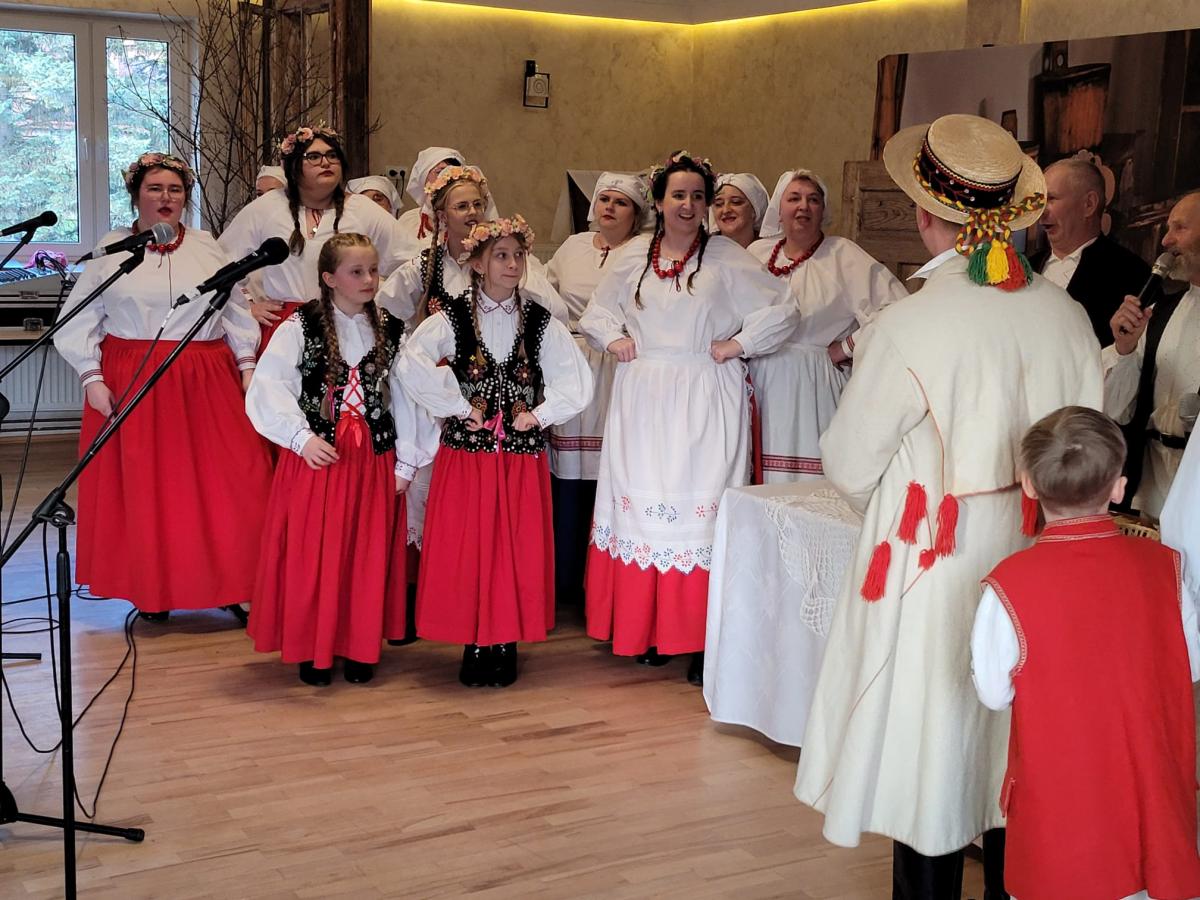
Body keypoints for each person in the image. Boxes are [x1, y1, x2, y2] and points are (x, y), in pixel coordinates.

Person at [792, 114, 1103, 899]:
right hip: (1037, 557)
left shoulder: (908, 322)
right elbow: (1088, 450)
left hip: (935, 558)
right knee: (1012, 746)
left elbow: (849, 463)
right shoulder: (1066, 315)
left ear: (925, 214)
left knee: (929, 750)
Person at [579, 151, 797, 686]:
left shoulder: (725, 257)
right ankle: (650, 629)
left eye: (699, 196)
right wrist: (614, 339)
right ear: (658, 201)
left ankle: (701, 639)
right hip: (643, 398)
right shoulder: (634, 255)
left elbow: (784, 309)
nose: (689, 205)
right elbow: (596, 313)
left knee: (703, 513)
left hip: (705, 396)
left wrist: (738, 344)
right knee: (645, 508)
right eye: (679, 194)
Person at [972, 406, 1200, 900]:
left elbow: (993, 693)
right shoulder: (1167, 568)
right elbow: (1191, 665)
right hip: (1150, 794)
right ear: (1119, 487)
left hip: (1062, 805)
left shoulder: (1008, 584)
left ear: (1028, 485)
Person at [55, 152, 272, 622]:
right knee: (150, 491)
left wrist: (247, 364)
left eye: (175, 189)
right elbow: (79, 318)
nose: (166, 197)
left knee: (230, 481)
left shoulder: (208, 247)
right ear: (136, 196)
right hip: (133, 377)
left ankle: (232, 582)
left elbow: (235, 309)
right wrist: (91, 376)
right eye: (155, 188)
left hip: (205, 375)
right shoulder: (113, 250)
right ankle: (153, 590)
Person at [396, 217, 592, 687]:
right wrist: (458, 405)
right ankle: (474, 641)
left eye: (519, 255)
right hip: (468, 457)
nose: (512, 264)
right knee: (470, 547)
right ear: (479, 264)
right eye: (501, 255)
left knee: (513, 547)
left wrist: (539, 416)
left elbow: (576, 380)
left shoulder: (540, 322)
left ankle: (505, 641)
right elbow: (411, 362)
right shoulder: (454, 318)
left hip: (519, 459)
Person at [245, 233, 438, 686]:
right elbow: (269, 386)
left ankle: (359, 646)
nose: (369, 279)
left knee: (364, 555)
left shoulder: (392, 329)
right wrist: (300, 438)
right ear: (330, 278)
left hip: (373, 461)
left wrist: (407, 461)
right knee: (313, 554)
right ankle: (312, 649)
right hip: (318, 459)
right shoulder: (301, 326)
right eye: (357, 272)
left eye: (373, 270)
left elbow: (410, 397)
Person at [747, 169, 907, 482]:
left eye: (813, 200)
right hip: (760, 380)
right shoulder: (757, 254)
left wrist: (846, 347)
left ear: (823, 210)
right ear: (779, 209)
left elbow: (896, 308)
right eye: (794, 198)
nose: (803, 206)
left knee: (808, 482)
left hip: (812, 383)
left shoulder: (842, 255)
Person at [545, 172, 647, 606]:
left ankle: (602, 583)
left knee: (610, 470)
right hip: (572, 360)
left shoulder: (645, 251)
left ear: (637, 214)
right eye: (604, 199)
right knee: (568, 471)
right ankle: (565, 578)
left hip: (622, 362)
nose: (609, 207)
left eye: (620, 202)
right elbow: (543, 294)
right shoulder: (573, 247)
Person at [220, 125, 402, 349]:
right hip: (284, 330)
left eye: (332, 155)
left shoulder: (362, 209)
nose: (326, 163)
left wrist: (376, 300)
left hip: (347, 328)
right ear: (294, 165)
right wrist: (248, 306)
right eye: (314, 157)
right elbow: (222, 264)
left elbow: (408, 261)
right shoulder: (266, 208)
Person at [1104, 191, 1200, 520]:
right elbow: (1117, 410)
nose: (1166, 241)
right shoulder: (1158, 314)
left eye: (1179, 228)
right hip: (1153, 491)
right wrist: (1125, 349)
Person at [378, 165, 566, 326]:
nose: (472, 212)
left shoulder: (504, 261)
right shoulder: (424, 267)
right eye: (462, 206)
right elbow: (386, 311)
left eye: (477, 204)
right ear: (443, 216)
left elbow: (556, 313)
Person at [1028, 158, 1148, 347]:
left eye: (1051, 199)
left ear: (1089, 204)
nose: (1041, 212)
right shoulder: (1026, 267)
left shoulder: (1130, 273)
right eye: (1039, 200)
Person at [394, 146, 500, 263]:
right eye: (440, 172)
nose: (445, 176)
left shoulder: (480, 224)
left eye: (477, 204)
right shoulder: (408, 221)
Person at [709, 173, 769, 249]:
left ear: (754, 210)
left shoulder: (767, 252)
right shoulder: (703, 251)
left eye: (736, 202)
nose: (726, 210)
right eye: (719, 204)